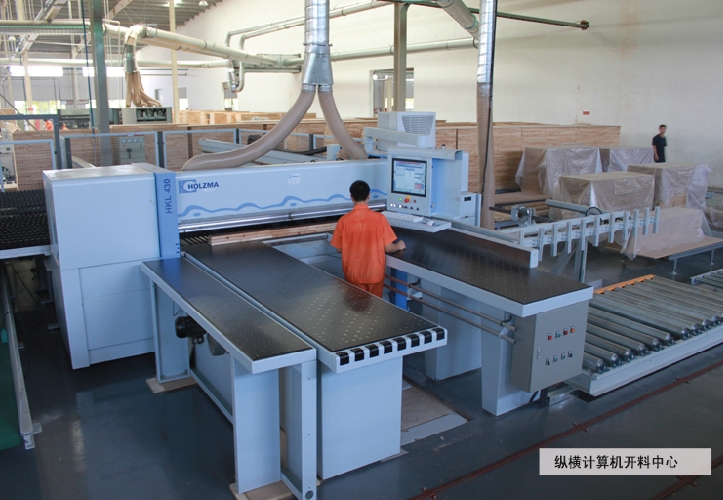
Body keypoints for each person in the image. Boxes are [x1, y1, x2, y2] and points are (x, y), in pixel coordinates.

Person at [331, 180, 406, 298]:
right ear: (368, 196)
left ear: (351, 197)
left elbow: (339, 249)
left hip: (353, 275)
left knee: (356, 306)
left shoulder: (344, 221)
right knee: (375, 306)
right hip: (374, 274)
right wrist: (398, 246)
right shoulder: (379, 219)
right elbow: (388, 248)